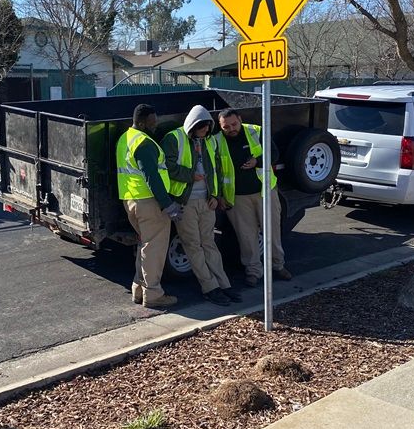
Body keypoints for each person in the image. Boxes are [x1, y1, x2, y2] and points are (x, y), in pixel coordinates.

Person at [162, 105, 240, 306]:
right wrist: (190, 176)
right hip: (185, 203)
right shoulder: (174, 138)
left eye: (208, 128)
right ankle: (210, 287)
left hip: (206, 201)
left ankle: (224, 285)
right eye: (203, 128)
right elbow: (166, 167)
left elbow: (216, 170)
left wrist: (215, 194)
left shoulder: (209, 141)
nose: (206, 132)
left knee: (209, 244)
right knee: (193, 246)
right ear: (193, 126)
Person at [213, 108, 292, 287]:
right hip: (238, 197)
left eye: (234, 124)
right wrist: (219, 196)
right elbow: (215, 171)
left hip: (265, 191)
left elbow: (274, 154)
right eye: (226, 127)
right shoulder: (216, 141)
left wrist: (258, 161)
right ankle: (253, 271)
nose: (231, 129)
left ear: (240, 119)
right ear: (220, 126)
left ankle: (278, 266)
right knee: (246, 237)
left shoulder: (255, 131)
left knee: (272, 231)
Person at [116, 103, 180, 309]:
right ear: (142, 122)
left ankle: (139, 289)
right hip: (149, 203)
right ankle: (153, 294)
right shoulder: (145, 143)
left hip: (131, 199)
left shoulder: (126, 138)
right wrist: (168, 205)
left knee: (144, 245)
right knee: (154, 249)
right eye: (152, 123)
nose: (156, 126)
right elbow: (152, 177)